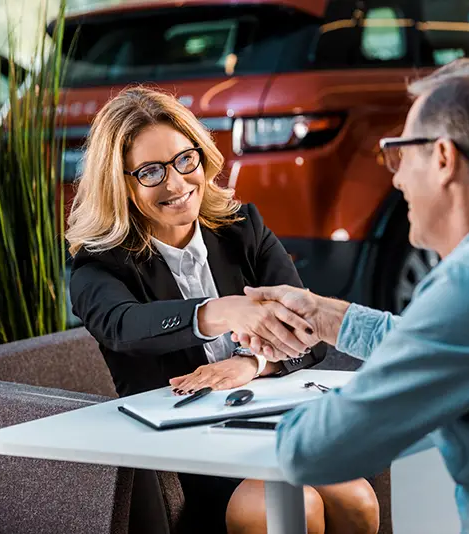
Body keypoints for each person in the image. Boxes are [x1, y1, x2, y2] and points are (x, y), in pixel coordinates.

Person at [235, 58, 469, 533]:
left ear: (443, 159)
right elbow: (440, 342)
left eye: (400, 154)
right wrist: (322, 314)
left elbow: (314, 450)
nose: (396, 178)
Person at [66, 87, 380, 534]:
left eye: (183, 160)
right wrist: (222, 311)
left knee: (356, 496)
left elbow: (307, 335)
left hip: (266, 424)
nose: (176, 184)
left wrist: (250, 363)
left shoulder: (242, 229)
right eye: (151, 172)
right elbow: (124, 327)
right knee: (294, 507)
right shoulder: (98, 265)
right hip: (189, 455)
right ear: (121, 183)